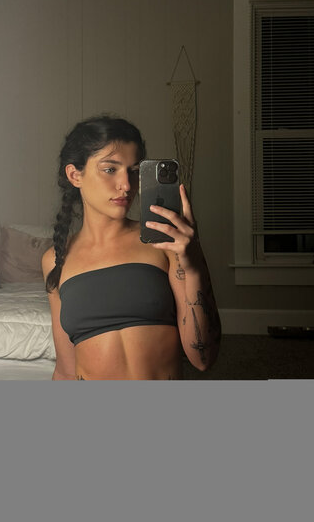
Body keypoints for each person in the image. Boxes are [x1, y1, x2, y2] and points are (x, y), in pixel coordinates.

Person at [42, 115, 221, 380]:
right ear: (75, 175)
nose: (126, 185)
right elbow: (66, 370)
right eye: (110, 169)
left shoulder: (165, 241)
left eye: (134, 171)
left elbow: (203, 358)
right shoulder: (55, 259)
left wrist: (192, 262)